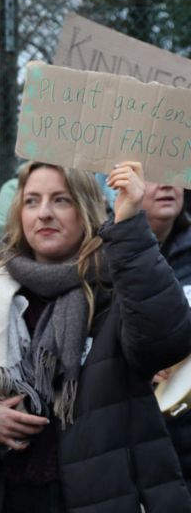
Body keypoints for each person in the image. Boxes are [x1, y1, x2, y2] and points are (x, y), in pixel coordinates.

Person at [0, 161, 191, 512]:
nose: (45, 213)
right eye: (32, 201)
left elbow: (165, 339)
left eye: (61, 200)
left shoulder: (117, 286)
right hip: (5, 496)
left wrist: (129, 228)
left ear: (84, 209)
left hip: (101, 497)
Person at [141, 182, 191, 482]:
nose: (166, 183)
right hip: (134, 435)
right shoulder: (102, 255)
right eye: (151, 174)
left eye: (174, 171)